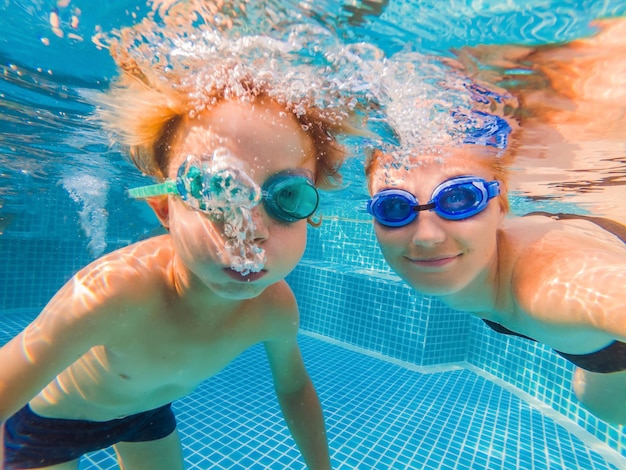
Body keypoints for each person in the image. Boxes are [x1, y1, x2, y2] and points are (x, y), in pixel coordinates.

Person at [0, 10, 364, 468]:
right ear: (166, 208)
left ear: (309, 214)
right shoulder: (113, 293)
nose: (248, 230)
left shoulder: (274, 307)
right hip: (52, 424)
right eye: (215, 191)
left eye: (287, 196)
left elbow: (293, 387)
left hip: (144, 414)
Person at [364, 136, 626, 425]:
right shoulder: (477, 262)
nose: (427, 237)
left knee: (607, 408)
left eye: (458, 198)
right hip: (557, 234)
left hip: (596, 245)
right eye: (394, 207)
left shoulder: (553, 279)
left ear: (501, 206)